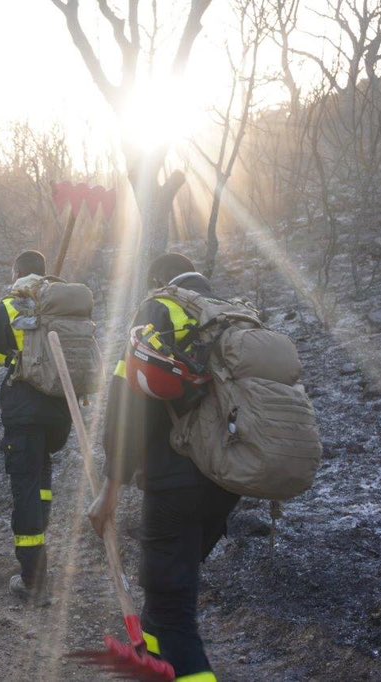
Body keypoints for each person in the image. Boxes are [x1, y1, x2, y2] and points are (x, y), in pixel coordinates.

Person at [89, 252, 239, 682]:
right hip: (227, 481)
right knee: (165, 592)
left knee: (174, 614)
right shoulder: (229, 318)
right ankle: (155, 666)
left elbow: (128, 404)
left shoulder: (160, 308)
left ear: (159, 281)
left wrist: (110, 487)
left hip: (177, 481)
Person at [0, 250, 70, 605]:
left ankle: (33, 578)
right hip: (61, 413)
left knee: (26, 489)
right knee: (41, 484)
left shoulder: (9, 309)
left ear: (17, 273)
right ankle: (41, 558)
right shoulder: (63, 306)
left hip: (25, 415)